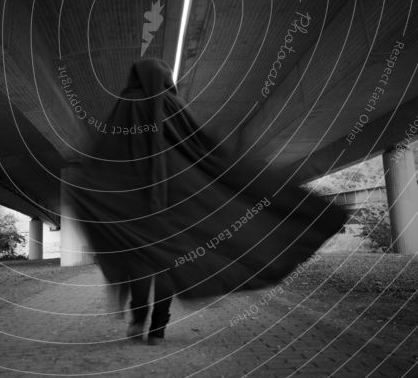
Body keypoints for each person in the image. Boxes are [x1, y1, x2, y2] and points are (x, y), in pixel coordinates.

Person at [67, 58, 345, 344]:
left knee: (141, 263)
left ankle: (138, 320)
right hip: (175, 203)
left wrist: (95, 188)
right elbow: (198, 145)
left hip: (134, 207)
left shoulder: (124, 107)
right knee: (167, 265)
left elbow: (105, 154)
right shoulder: (171, 105)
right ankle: (158, 328)